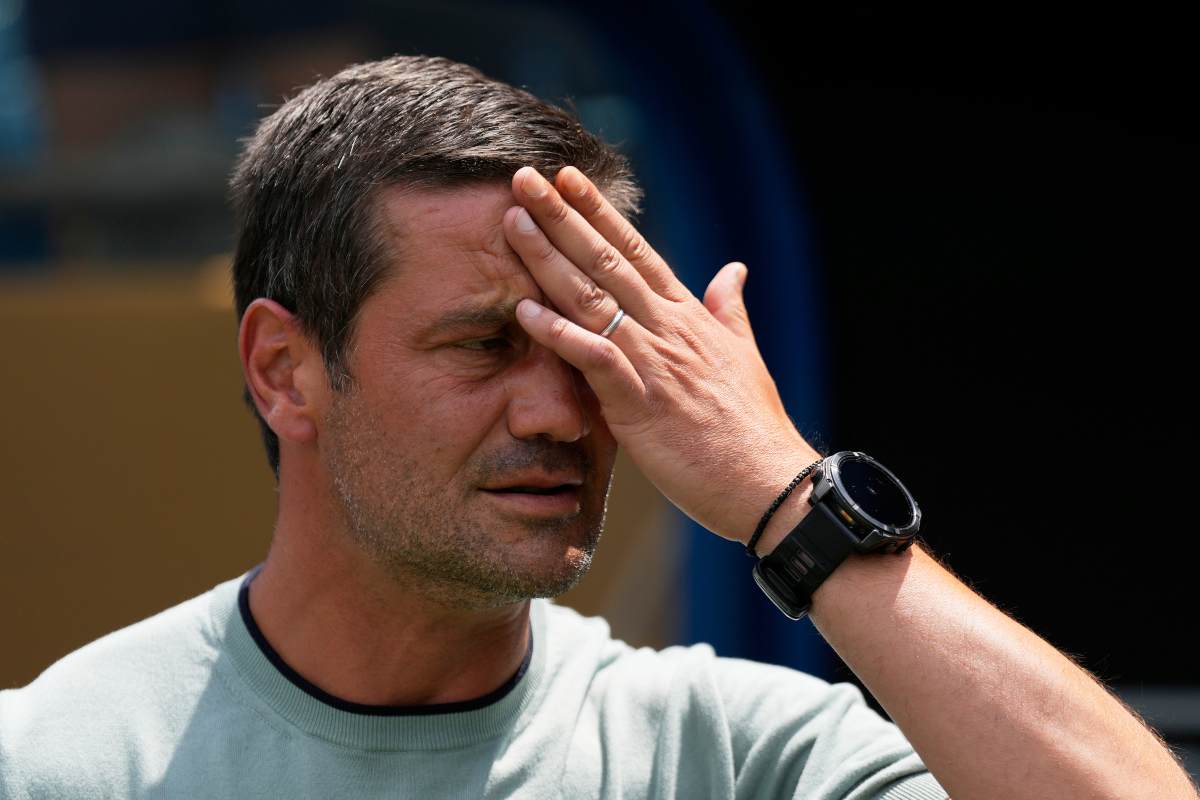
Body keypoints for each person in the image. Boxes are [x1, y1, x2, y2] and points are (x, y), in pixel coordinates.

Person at [0, 55, 1192, 800]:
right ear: (284, 371)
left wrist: (794, 498)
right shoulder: (65, 760)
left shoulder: (726, 753)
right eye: (485, 343)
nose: (561, 407)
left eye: (593, 348)